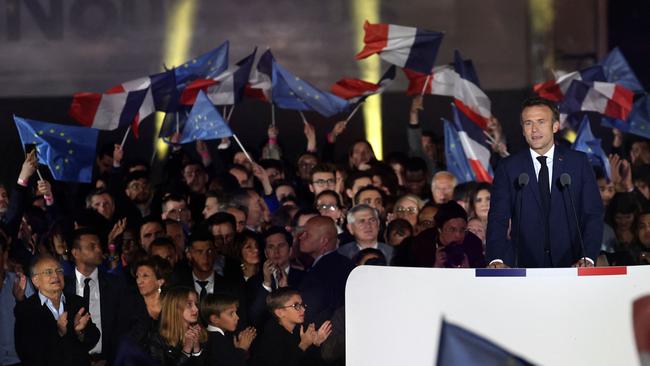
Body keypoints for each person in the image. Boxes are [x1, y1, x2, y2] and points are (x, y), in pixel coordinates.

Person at [487, 97, 604, 268]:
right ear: (522, 129)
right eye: (528, 123)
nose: (534, 129)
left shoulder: (578, 163)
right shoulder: (508, 167)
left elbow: (592, 214)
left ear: (555, 126)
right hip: (523, 267)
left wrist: (588, 257)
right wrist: (496, 259)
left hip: (572, 265)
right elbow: (498, 217)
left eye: (541, 122)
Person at [15, 256, 101, 366]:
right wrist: (60, 333)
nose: (56, 275)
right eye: (48, 272)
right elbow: (28, 354)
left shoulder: (77, 302)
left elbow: (94, 337)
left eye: (59, 271)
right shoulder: (26, 310)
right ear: (36, 281)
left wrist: (81, 332)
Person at [249, 287, 332, 366]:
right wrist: (304, 345)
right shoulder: (271, 336)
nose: (303, 309)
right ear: (280, 313)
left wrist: (315, 344)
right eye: (296, 306)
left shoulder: (299, 329)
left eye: (302, 304)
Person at [298, 216, 355, 326]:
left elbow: (311, 309)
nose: (301, 237)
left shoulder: (323, 271)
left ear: (324, 241)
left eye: (307, 234)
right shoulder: (345, 264)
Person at [148, 286, 206, 366]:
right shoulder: (158, 339)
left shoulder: (203, 334)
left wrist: (196, 349)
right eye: (189, 304)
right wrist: (186, 350)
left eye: (196, 304)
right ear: (174, 307)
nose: (196, 309)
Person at [200, 293, 256, 366]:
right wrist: (242, 349)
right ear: (215, 319)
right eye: (231, 313)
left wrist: (237, 350)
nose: (237, 317)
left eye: (236, 312)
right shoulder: (217, 341)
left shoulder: (215, 336)